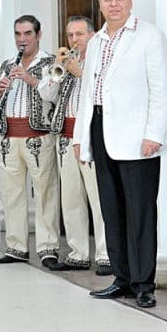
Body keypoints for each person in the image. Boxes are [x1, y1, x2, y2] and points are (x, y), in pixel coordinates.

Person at [74, 0, 167, 309]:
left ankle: (143, 284)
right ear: (100, 5)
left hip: (137, 137)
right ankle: (122, 278)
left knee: (140, 212)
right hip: (100, 130)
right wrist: (80, 138)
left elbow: (162, 89)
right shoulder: (97, 41)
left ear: (130, 2)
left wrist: (154, 134)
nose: (114, 4)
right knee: (112, 210)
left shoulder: (149, 36)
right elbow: (87, 93)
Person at [37, 16, 110, 274]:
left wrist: (81, 73)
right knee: (71, 198)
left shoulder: (100, 61)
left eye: (79, 34)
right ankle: (78, 253)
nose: (74, 40)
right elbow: (46, 94)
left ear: (92, 35)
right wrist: (58, 69)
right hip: (65, 137)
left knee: (99, 198)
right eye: (70, 35)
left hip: (90, 137)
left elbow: (105, 92)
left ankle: (106, 254)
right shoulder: (65, 64)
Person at [0, 14, 61, 268]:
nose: (22, 39)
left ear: (38, 35)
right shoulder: (7, 64)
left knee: (45, 193)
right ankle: (17, 247)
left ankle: (48, 248)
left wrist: (30, 79)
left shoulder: (51, 62)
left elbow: (53, 95)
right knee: (12, 194)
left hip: (39, 137)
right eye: (18, 34)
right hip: (10, 137)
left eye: (28, 34)